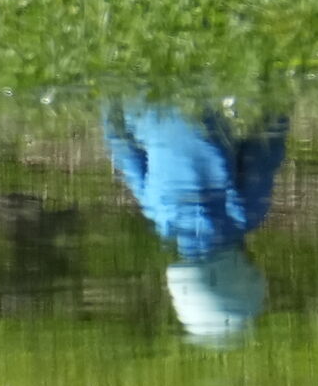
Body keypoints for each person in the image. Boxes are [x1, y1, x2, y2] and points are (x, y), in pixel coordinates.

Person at [103, 98, 289, 347]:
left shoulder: (241, 215)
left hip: (204, 101)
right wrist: (110, 103)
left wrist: (281, 103)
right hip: (143, 105)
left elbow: (267, 144)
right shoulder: (160, 216)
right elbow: (119, 142)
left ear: (244, 279)